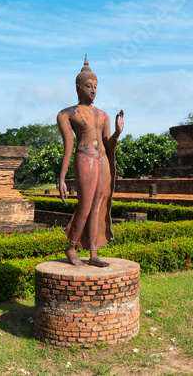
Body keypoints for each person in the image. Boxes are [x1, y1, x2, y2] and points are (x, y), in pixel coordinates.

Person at [57, 56, 124, 267]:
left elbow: (108, 145)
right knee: (85, 205)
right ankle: (71, 247)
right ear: (78, 87)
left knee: (98, 205)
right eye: (89, 86)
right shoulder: (67, 114)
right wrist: (61, 179)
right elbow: (68, 147)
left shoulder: (103, 115)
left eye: (95, 86)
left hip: (102, 160)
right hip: (84, 158)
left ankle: (93, 253)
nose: (93, 90)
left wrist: (118, 132)